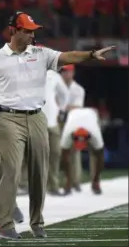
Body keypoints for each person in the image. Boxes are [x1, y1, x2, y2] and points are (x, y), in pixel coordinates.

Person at [0, 11, 115, 239]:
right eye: (27, 31)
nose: (31, 35)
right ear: (14, 30)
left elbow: (68, 56)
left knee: (40, 171)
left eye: (33, 31)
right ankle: (5, 224)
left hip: (37, 117)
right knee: (12, 170)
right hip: (8, 118)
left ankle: (37, 222)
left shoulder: (41, 54)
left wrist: (91, 54)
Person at [60, 107, 104, 195]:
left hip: (92, 114)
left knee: (96, 154)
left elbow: (100, 156)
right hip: (73, 113)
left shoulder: (95, 134)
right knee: (68, 155)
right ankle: (69, 182)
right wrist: (68, 179)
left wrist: (96, 179)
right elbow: (64, 156)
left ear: (88, 139)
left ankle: (95, 182)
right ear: (73, 137)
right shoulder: (67, 133)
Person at [42, 69, 69, 195]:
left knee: (55, 152)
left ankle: (53, 185)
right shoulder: (26, 72)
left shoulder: (54, 76)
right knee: (34, 154)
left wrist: (62, 110)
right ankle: (30, 185)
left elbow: (64, 94)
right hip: (35, 120)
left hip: (52, 120)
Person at [59, 64, 85, 193]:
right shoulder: (56, 87)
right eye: (63, 71)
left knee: (74, 153)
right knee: (58, 153)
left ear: (73, 72)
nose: (65, 74)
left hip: (73, 122)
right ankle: (63, 181)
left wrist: (63, 107)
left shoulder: (78, 89)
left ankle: (75, 181)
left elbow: (77, 107)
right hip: (59, 122)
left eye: (67, 71)